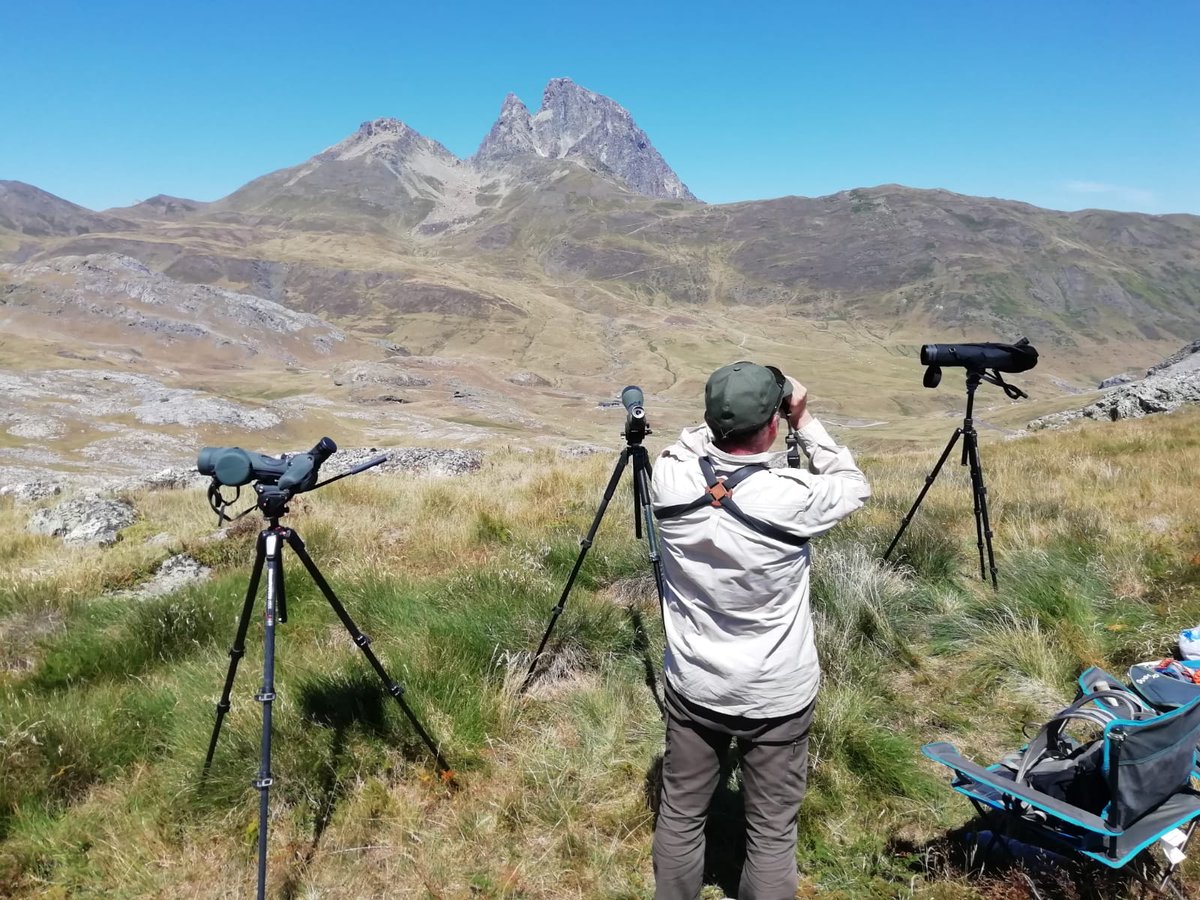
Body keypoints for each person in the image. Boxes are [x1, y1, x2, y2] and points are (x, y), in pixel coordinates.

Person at [649, 361, 871, 900]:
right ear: (772, 423)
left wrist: (734, 415)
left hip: (695, 683)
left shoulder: (668, 476)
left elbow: (692, 442)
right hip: (776, 691)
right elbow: (852, 484)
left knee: (680, 813)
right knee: (772, 833)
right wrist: (804, 419)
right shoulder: (791, 497)